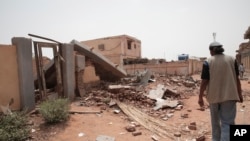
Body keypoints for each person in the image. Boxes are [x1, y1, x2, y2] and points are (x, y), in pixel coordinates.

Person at [198, 41, 243, 141]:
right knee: (227, 123)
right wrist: (240, 94)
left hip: (214, 97)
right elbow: (237, 79)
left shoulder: (208, 62)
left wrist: (200, 97)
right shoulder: (232, 59)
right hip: (230, 96)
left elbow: (204, 81)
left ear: (211, 51)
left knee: (215, 124)